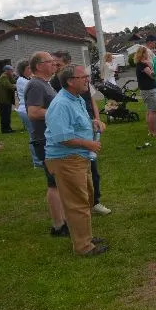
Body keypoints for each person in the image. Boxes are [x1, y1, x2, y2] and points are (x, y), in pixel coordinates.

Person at [44, 64, 108, 256]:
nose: (87, 79)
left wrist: (93, 123)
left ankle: (85, 237)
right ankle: (83, 247)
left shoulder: (76, 98)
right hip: (66, 159)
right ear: (71, 81)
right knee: (77, 203)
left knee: (86, 198)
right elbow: (62, 137)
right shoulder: (61, 104)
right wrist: (89, 144)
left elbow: (75, 124)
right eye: (83, 77)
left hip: (78, 157)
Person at [50, 51, 111, 216]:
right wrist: (87, 143)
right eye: (53, 64)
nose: (55, 67)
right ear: (70, 81)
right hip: (70, 151)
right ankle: (83, 213)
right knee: (77, 198)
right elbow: (62, 133)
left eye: (58, 64)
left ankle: (93, 202)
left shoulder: (78, 90)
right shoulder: (59, 92)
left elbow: (90, 101)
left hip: (83, 135)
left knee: (91, 175)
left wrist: (95, 120)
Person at [25, 51, 68, 236]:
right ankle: (58, 225)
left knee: (59, 182)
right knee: (54, 183)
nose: (54, 64)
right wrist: (59, 112)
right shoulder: (35, 84)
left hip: (50, 138)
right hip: (44, 140)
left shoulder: (44, 83)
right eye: (49, 62)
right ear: (38, 66)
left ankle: (64, 220)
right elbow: (33, 112)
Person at [15, 60, 41, 168]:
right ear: (22, 70)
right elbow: (37, 88)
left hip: (27, 109)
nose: (31, 70)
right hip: (26, 110)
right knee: (34, 135)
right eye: (28, 68)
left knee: (36, 134)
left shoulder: (27, 79)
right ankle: (37, 162)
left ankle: (39, 159)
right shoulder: (22, 81)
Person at [135, 46, 156, 138]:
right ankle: (154, 132)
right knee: (153, 111)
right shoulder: (143, 65)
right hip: (149, 90)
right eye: (147, 53)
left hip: (146, 90)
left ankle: (151, 130)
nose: (149, 54)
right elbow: (152, 76)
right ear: (143, 54)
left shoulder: (139, 64)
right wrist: (151, 66)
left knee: (150, 111)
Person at [0, 64, 17, 133]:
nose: (12, 72)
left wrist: (15, 78)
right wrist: (16, 86)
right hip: (3, 99)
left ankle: (8, 128)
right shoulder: (4, 77)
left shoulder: (8, 77)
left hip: (6, 99)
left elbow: (14, 82)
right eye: (11, 70)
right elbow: (9, 86)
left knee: (7, 114)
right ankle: (5, 129)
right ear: (6, 71)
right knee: (5, 114)